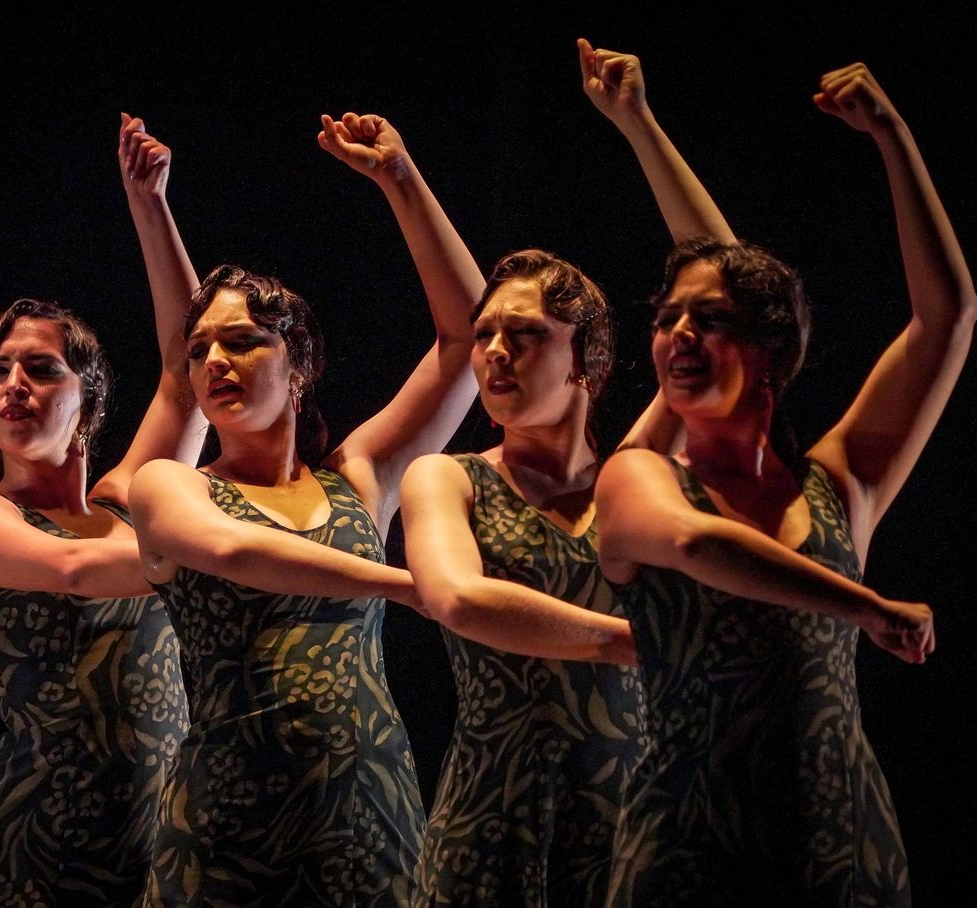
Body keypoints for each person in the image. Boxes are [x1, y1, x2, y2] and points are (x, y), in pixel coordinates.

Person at [595, 64, 976, 906]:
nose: (678, 335)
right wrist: (868, 607)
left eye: (711, 320)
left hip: (844, 849)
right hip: (688, 856)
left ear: (773, 351)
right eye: (666, 320)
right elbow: (699, 544)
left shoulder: (842, 485)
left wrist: (893, 136)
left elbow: (948, 318)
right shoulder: (637, 479)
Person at [398, 40, 738, 906]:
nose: (497, 354)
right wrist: (641, 644)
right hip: (488, 827)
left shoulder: (637, 473)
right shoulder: (449, 480)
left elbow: (726, 290)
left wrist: (638, 124)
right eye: (485, 336)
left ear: (586, 358)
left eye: (527, 335)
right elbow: (458, 599)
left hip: (633, 822)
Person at [127, 113, 481, 906]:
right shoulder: (171, 487)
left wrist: (401, 180)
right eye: (200, 350)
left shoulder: (357, 477)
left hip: (371, 818)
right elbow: (233, 552)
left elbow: (466, 341)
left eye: (245, 341)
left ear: (300, 366)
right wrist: (404, 584)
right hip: (227, 836)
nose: (216, 360)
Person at [0, 115, 206, 907]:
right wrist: (227, 553)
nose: (12, 384)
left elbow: (187, 379)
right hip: (32, 850)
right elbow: (76, 569)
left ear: (87, 407)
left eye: (41, 369)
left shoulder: (126, 507)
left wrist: (151, 205)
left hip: (153, 838)